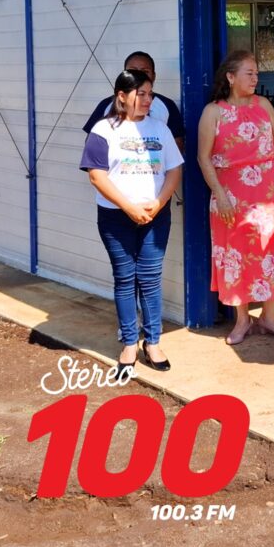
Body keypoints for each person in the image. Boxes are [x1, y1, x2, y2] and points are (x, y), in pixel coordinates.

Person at [80, 68, 183, 376]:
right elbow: (97, 176)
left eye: (150, 94)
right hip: (116, 218)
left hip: (155, 216)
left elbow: (174, 170)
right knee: (125, 278)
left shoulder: (160, 129)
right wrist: (128, 207)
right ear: (122, 96)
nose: (148, 100)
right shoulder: (103, 129)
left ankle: (153, 342)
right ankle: (128, 343)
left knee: (150, 278)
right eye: (142, 94)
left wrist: (159, 203)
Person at [197, 50, 274, 346]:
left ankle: (269, 316)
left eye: (257, 73)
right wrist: (220, 194)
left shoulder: (264, 105)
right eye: (249, 73)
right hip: (231, 194)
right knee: (236, 254)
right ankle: (242, 319)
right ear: (231, 77)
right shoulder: (213, 112)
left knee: (271, 251)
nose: (255, 78)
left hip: (270, 190)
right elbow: (203, 158)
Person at [82, 51, 185, 149]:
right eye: (132, 71)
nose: (139, 76)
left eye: (145, 71)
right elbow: (92, 147)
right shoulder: (107, 105)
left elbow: (176, 146)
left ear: (153, 76)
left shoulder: (166, 106)